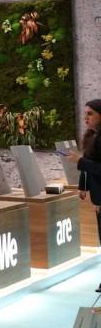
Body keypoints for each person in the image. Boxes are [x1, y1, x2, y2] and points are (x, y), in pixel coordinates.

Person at [68, 99, 101, 247]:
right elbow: (89, 163)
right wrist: (83, 186)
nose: (85, 117)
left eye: (90, 114)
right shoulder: (92, 136)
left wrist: (80, 161)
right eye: (85, 114)